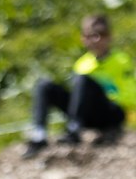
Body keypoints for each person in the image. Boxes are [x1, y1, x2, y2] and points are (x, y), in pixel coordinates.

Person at [24, 13, 136, 157]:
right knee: (44, 85)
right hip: (87, 116)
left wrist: (106, 93)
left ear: (109, 36)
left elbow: (131, 95)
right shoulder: (81, 64)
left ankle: (73, 129)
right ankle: (39, 135)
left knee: (83, 80)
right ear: (83, 38)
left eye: (101, 34)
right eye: (90, 35)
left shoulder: (122, 60)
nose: (96, 39)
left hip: (112, 113)